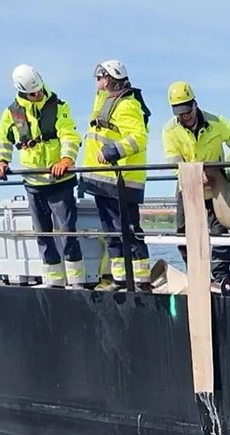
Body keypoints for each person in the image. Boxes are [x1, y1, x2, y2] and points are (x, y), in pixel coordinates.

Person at [0, 65, 85, 289]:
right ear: (22, 92)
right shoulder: (11, 113)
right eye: (33, 93)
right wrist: (2, 161)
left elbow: (69, 135)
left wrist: (66, 160)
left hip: (59, 181)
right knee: (42, 234)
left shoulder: (59, 107)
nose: (38, 95)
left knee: (67, 232)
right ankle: (54, 282)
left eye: (39, 90)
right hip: (33, 183)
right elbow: (4, 139)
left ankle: (77, 283)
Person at [162, 81, 230, 292]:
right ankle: (196, 273)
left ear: (195, 103)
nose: (187, 116)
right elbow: (174, 162)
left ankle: (222, 278)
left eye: (188, 110)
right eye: (181, 113)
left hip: (217, 186)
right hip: (188, 187)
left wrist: (225, 169)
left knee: (219, 232)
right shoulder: (170, 130)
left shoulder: (216, 121)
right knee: (183, 233)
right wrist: (191, 175)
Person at [83, 60, 151, 291]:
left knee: (128, 230)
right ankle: (120, 278)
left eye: (99, 77)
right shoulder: (105, 101)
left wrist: (113, 151)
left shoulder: (127, 106)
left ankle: (141, 281)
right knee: (111, 231)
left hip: (121, 180)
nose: (96, 81)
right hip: (103, 180)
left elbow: (138, 138)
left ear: (109, 78)